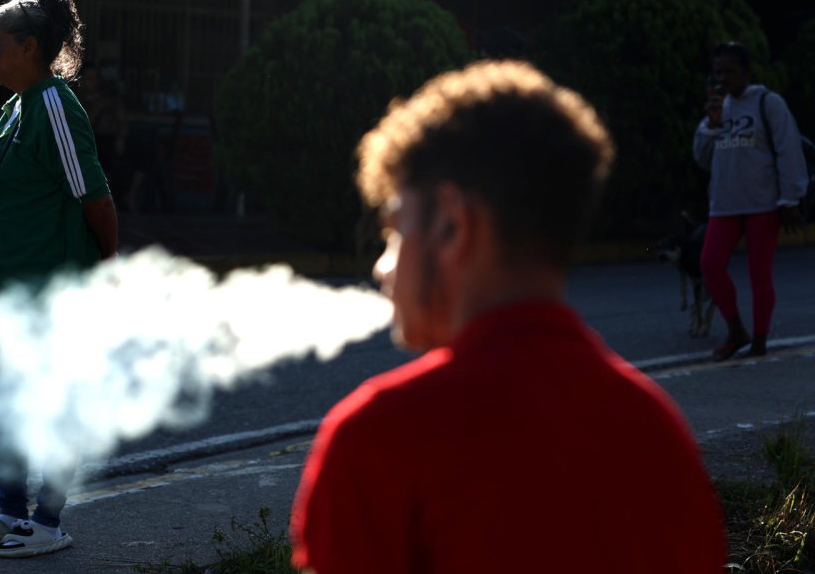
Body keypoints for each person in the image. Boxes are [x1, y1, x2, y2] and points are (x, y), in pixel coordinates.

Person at [290, 61, 726, 574]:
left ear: (453, 225)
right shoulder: (659, 434)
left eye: (394, 232)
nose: (381, 268)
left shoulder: (378, 439)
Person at [0, 0, 118, 559]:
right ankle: (10, 511)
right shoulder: (14, 109)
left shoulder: (53, 104)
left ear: (28, 47)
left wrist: (107, 270)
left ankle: (47, 521)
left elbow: (94, 197)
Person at [694, 41, 808, 361]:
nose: (723, 79)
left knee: (760, 274)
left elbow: (788, 150)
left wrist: (790, 199)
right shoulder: (719, 109)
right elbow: (701, 159)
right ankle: (735, 330)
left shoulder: (768, 103)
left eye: (730, 71)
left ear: (747, 71)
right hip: (725, 204)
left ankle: (759, 338)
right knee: (709, 264)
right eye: (718, 73)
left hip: (762, 203)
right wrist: (711, 125)